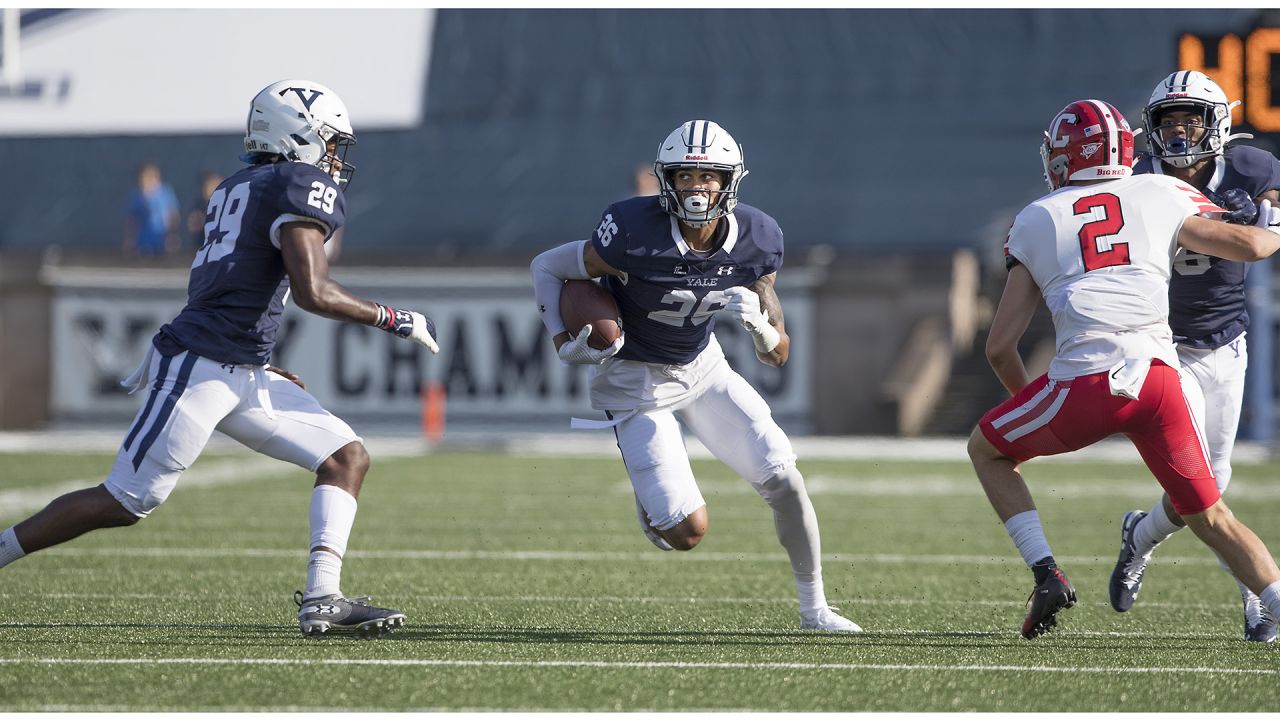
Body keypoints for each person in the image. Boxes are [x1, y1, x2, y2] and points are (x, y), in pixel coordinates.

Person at [0, 79, 441, 637]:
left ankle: (323, 597)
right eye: (329, 142)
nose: (334, 158)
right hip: (200, 365)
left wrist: (259, 360)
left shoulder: (242, 186)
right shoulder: (295, 182)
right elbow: (312, 291)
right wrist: (394, 318)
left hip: (240, 368)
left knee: (344, 456)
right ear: (299, 135)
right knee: (124, 501)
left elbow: (238, 289)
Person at [967, 99, 1280, 639]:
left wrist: (1035, 411)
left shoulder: (1037, 217)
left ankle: (1047, 574)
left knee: (986, 449)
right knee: (1213, 516)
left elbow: (1000, 347)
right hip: (1160, 379)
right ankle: (1272, 597)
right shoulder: (1160, 191)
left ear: (1063, 156)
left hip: (1082, 383)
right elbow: (1251, 245)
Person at [531, 120, 860, 632]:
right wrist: (560, 340)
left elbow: (779, 355)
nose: (696, 187)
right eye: (685, 175)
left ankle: (815, 609)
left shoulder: (758, 238)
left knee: (785, 478)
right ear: (667, 180)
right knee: (685, 533)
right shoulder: (633, 229)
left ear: (730, 180)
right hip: (636, 382)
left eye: (708, 176)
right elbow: (547, 267)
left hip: (704, 369)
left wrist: (759, 328)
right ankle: (654, 508)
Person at [1111, 70, 1280, 642]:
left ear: (1216, 124)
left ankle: (1141, 535)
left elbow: (1272, 216)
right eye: (1169, 122)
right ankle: (1258, 593)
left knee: (1216, 476)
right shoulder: (1136, 179)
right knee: (1201, 484)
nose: (1180, 133)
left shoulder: (1252, 169)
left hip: (1227, 338)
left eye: (1191, 120)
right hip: (1161, 341)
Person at [124, 162, 180, 258]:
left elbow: (173, 216)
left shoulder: (166, 193)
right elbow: (132, 220)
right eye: (144, 178)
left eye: (152, 177)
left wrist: (172, 236)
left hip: (162, 243)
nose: (148, 181)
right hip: (143, 244)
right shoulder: (136, 196)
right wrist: (130, 240)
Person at [185, 171, 224, 252]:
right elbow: (193, 225)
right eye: (209, 186)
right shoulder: (199, 205)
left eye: (216, 185)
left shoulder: (226, 203)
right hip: (202, 244)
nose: (213, 189)